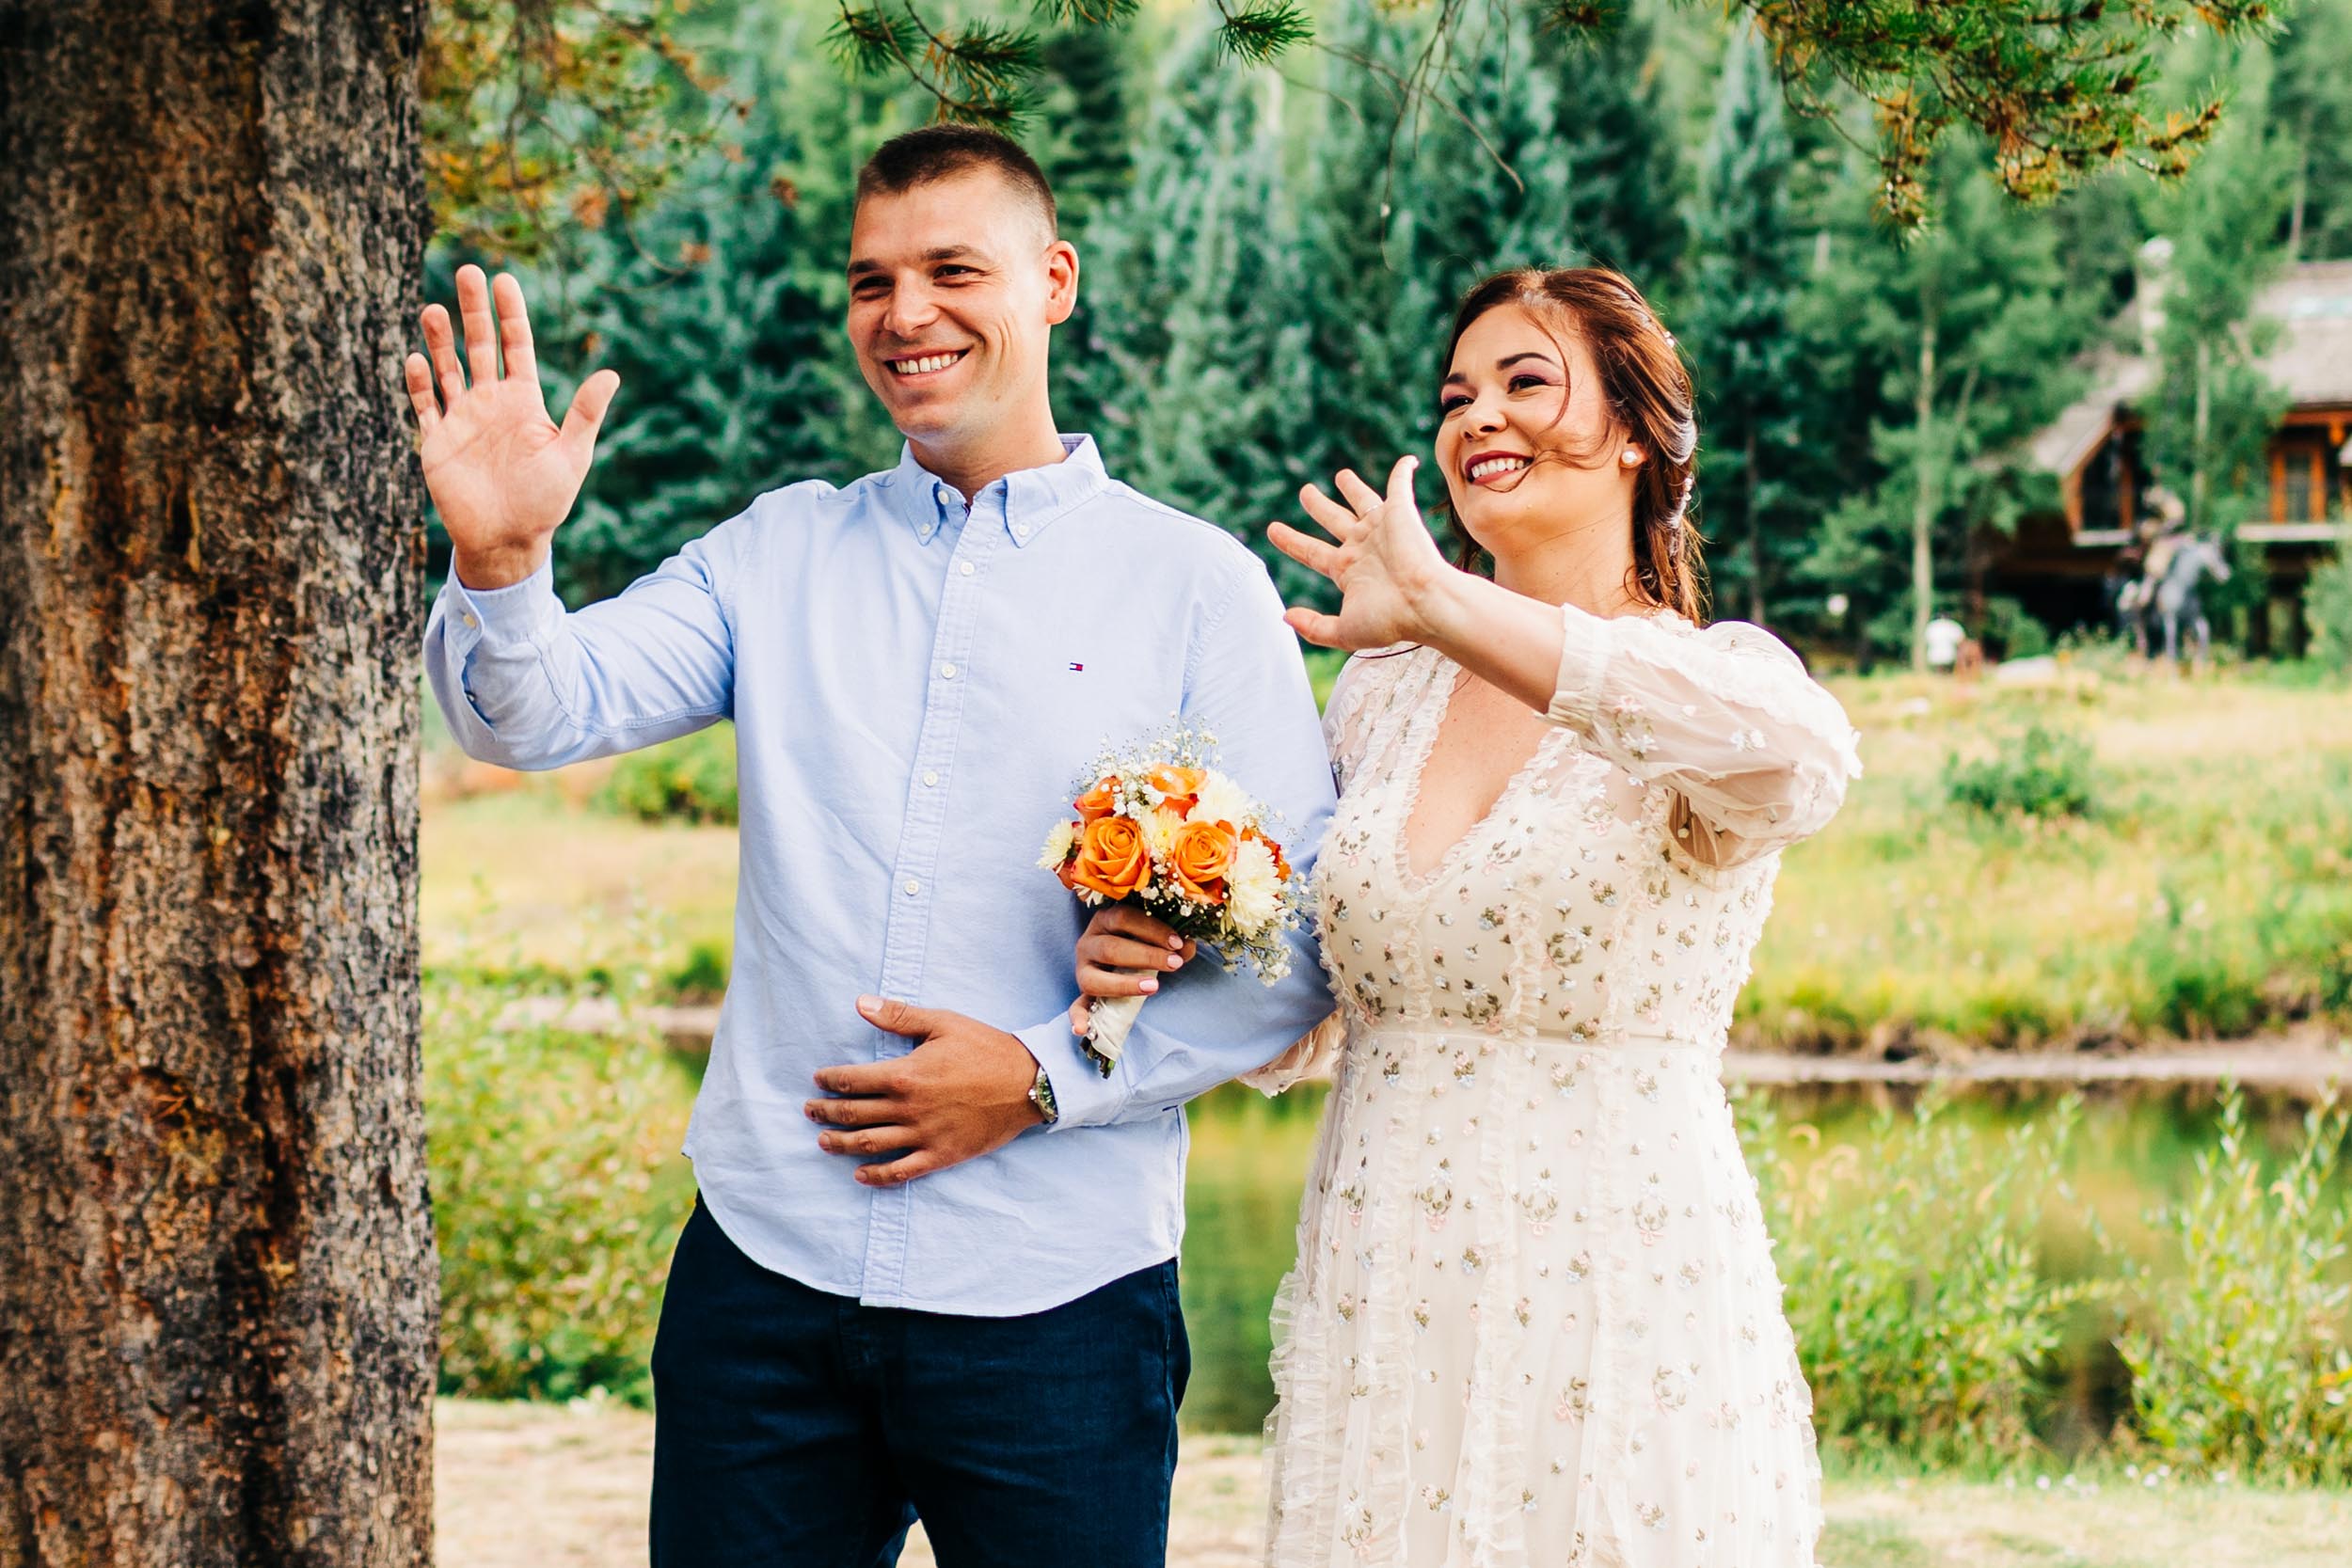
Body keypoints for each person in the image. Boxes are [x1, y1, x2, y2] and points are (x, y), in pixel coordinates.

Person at [404, 126, 1338, 1567]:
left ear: (1054, 282)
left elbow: (1292, 966)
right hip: (763, 1288)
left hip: (1058, 1297)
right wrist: (502, 565)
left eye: (953, 270)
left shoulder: (1197, 589)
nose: (906, 316)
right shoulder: (773, 553)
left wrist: (1043, 1076)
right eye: (870, 281)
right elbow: (534, 715)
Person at [1071, 268, 1861, 1566]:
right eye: (1456, 395)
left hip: (1618, 1286)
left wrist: (1448, 603)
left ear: (1633, 429)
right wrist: (1146, 965)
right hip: (1390, 1286)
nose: (1477, 417)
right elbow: (1308, 1011)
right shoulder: (1381, 698)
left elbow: (1804, 769)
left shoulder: (1709, 683)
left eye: (1525, 382)